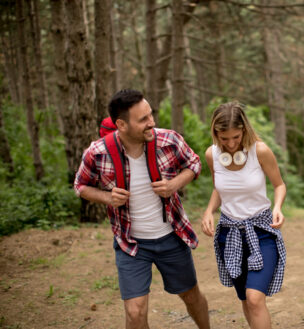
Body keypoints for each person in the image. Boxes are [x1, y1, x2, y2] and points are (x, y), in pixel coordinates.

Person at [74, 89, 210, 329]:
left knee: (191, 296)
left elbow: (194, 163)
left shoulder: (169, 140)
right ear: (121, 124)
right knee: (135, 313)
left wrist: (174, 184)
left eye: (150, 115)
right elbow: (81, 186)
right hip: (131, 243)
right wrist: (107, 197)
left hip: (171, 237)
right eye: (143, 119)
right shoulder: (97, 153)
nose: (152, 122)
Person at [201, 101, 286, 329]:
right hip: (230, 235)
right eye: (224, 138)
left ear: (244, 130)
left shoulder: (260, 151)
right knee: (246, 300)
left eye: (236, 137)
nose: (230, 144)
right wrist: (209, 211)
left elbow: (279, 185)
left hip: (261, 233)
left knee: (255, 298)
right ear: (215, 133)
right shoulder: (212, 154)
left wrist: (277, 207)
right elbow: (219, 188)